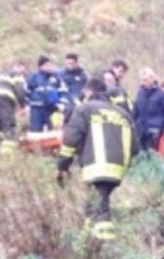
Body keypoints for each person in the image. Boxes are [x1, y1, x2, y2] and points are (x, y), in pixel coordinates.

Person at [57, 78, 139, 241]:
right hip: (119, 168)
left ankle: (104, 242)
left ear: (89, 92)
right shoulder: (123, 114)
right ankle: (89, 238)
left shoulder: (85, 109)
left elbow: (71, 140)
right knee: (95, 202)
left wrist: (62, 165)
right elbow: (136, 147)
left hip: (96, 166)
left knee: (101, 208)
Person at [133, 68, 164, 153]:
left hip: (155, 128)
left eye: (146, 80)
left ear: (152, 78)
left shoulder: (162, 94)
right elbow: (136, 109)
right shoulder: (140, 92)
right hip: (141, 129)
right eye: (142, 80)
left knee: (152, 153)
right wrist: (133, 123)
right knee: (140, 153)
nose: (144, 82)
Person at [27, 55, 68, 133]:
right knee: (35, 130)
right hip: (37, 108)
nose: (49, 67)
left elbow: (63, 91)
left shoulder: (57, 77)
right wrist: (27, 105)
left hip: (53, 108)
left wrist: (62, 104)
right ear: (40, 66)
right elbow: (27, 92)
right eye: (47, 65)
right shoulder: (33, 77)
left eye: (51, 65)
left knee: (53, 130)